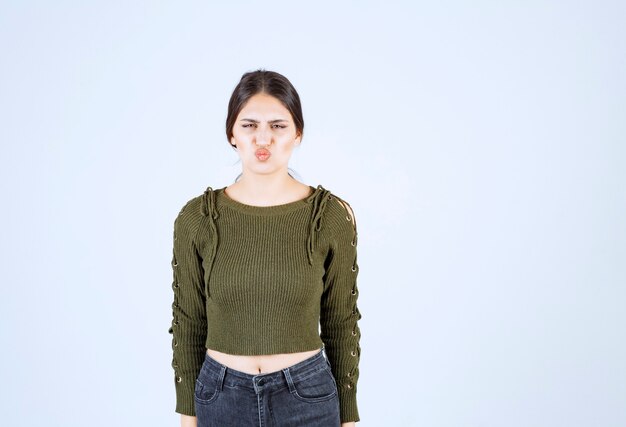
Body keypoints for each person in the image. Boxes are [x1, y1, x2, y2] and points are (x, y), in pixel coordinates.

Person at [168, 69, 362, 427]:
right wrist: (187, 416)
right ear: (232, 134)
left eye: (278, 126)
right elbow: (188, 323)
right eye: (249, 125)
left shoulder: (330, 216)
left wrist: (348, 418)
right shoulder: (197, 219)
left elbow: (341, 321)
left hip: (307, 396)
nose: (263, 138)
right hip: (221, 397)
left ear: (297, 133)